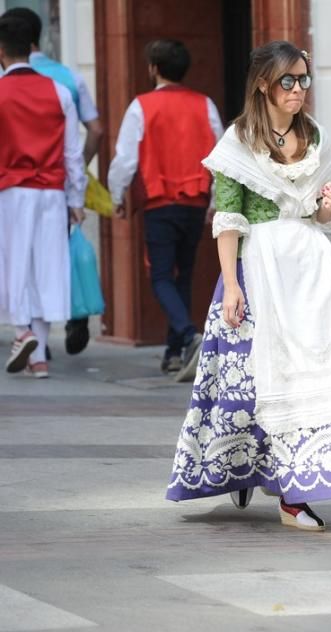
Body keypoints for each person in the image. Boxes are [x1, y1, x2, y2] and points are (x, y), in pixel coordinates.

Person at [165, 41, 331, 532]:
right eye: (289, 81)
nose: (299, 90)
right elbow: (228, 219)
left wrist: (327, 206)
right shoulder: (238, 140)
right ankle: (248, 469)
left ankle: (294, 493)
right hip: (257, 269)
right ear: (263, 83)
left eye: (304, 80)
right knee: (249, 384)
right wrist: (232, 286)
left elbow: (321, 216)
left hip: (310, 269)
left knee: (311, 377)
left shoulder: (315, 135)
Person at [107, 39, 223, 380]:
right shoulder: (205, 105)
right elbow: (218, 157)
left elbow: (125, 159)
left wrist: (117, 197)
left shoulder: (141, 106)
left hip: (160, 201)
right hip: (195, 199)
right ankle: (174, 353)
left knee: (160, 275)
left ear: (153, 68)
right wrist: (215, 200)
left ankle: (188, 336)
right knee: (183, 274)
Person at [2, 6, 104, 356]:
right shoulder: (59, 90)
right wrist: (75, 201)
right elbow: (73, 154)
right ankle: (40, 354)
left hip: (11, 191)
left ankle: (21, 331)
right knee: (47, 267)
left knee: (15, 265)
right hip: (52, 191)